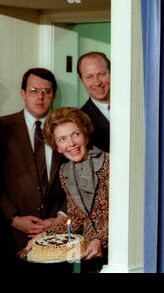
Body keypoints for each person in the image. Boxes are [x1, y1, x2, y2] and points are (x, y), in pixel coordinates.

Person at [28, 107, 109, 272]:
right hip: (86, 254)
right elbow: (77, 219)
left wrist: (100, 240)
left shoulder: (109, 163)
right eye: (62, 139)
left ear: (85, 136)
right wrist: (46, 235)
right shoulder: (65, 172)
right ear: (57, 146)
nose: (71, 143)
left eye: (76, 134)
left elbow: (125, 214)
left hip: (116, 250)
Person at [0, 68, 66, 270]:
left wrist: (62, 216)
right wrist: (13, 218)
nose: (40, 96)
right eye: (34, 90)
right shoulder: (3, 127)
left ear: (54, 95)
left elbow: (75, 179)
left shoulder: (66, 129)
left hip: (57, 238)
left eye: (46, 91)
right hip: (13, 239)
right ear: (23, 94)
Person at [77, 52, 111, 152]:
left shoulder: (133, 107)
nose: (97, 82)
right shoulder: (79, 120)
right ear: (82, 80)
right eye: (89, 77)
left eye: (101, 74)